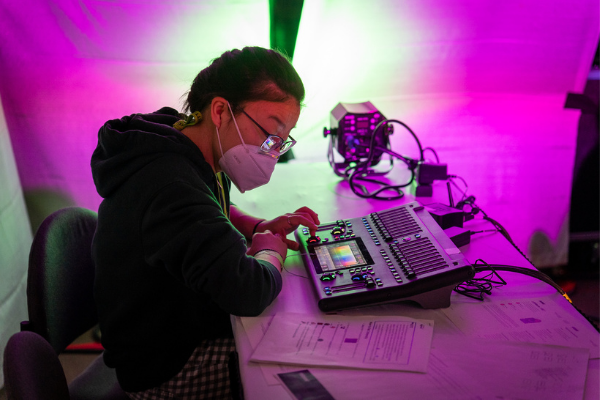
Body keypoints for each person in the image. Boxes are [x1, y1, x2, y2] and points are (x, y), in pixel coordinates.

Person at [91, 46, 319, 399]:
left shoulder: (181, 140)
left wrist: (257, 227)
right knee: (296, 358)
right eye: (270, 135)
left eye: (282, 142)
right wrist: (271, 251)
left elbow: (210, 207)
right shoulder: (170, 184)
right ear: (220, 111)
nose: (273, 152)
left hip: (163, 325)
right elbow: (248, 291)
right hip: (163, 366)